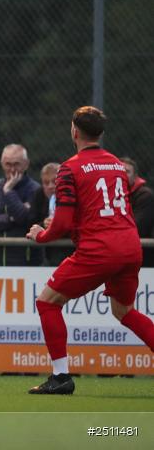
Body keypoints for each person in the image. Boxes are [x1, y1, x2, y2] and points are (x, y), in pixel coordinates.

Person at [26, 106, 154, 394]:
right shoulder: (117, 165)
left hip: (99, 249)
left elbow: (62, 222)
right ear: (101, 133)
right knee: (124, 311)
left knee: (47, 302)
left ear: (74, 130)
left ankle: (60, 377)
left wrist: (41, 235)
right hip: (130, 246)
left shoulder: (69, 168)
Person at [0, 144, 41, 266]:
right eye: (8, 164)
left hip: (27, 262)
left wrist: (8, 191)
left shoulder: (35, 189)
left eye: (16, 164)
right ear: (2, 164)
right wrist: (9, 219)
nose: (12, 169)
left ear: (26, 164)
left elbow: (25, 219)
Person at [29, 162, 70, 266]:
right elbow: (30, 222)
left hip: (70, 250)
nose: (51, 186)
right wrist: (44, 224)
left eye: (54, 182)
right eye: (46, 183)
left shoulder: (71, 194)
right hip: (46, 253)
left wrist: (59, 224)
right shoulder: (39, 195)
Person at [120, 157, 154, 252]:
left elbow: (138, 229)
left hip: (143, 249)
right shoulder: (108, 194)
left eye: (127, 171)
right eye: (120, 171)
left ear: (135, 176)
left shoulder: (145, 196)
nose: (123, 174)